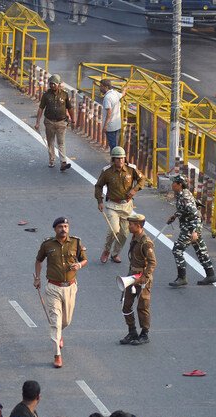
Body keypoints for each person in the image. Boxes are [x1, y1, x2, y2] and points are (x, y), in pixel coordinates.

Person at [33, 217, 86, 369]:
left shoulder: (76, 243)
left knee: (66, 321)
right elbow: (38, 261)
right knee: (55, 321)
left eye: (66, 226)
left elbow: (84, 260)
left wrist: (79, 265)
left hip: (70, 287)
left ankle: (59, 334)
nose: (63, 229)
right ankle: (57, 354)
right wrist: (37, 278)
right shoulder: (47, 244)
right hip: (53, 287)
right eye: (60, 227)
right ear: (55, 229)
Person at [95, 146, 144, 265]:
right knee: (114, 229)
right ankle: (106, 250)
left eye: (122, 158)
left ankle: (115, 253)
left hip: (126, 206)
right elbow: (98, 186)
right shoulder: (107, 171)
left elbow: (142, 180)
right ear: (113, 159)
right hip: (112, 205)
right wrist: (100, 201)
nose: (120, 161)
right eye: (117, 159)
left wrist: (134, 190)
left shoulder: (131, 169)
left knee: (124, 233)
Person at [167, 176, 216, 287]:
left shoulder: (185, 197)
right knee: (200, 250)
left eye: (174, 182)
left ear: (179, 184)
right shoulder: (183, 194)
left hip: (190, 228)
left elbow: (196, 215)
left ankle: (182, 277)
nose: (172, 184)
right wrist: (175, 216)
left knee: (177, 250)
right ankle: (211, 275)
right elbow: (183, 209)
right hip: (189, 227)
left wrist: (195, 231)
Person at [119, 213, 156, 346]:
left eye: (131, 224)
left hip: (142, 278)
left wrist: (145, 277)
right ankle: (132, 331)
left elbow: (152, 262)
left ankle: (144, 333)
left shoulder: (146, 242)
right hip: (132, 276)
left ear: (138, 226)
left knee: (142, 306)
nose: (129, 226)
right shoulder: (135, 237)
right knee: (125, 304)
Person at [34, 75, 74, 171]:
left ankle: (63, 162)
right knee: (50, 142)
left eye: (54, 84)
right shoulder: (46, 95)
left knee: (61, 143)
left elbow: (70, 108)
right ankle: (51, 160)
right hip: (49, 122)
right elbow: (41, 108)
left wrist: (73, 120)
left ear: (58, 84)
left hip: (61, 123)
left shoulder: (65, 95)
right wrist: (37, 122)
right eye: (50, 84)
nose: (52, 85)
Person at [100, 79, 122, 151]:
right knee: (114, 144)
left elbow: (109, 113)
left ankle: (114, 161)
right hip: (117, 124)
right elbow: (122, 94)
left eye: (101, 86)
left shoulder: (107, 98)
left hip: (111, 126)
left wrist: (105, 125)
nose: (100, 88)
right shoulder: (115, 93)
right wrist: (125, 89)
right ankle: (114, 160)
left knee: (113, 146)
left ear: (106, 87)